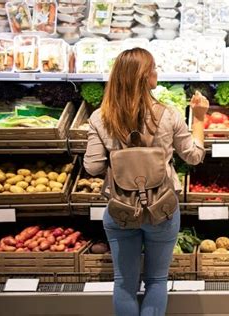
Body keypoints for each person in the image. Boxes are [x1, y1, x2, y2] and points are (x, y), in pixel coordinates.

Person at [84, 47, 208, 316]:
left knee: (125, 283)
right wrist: (199, 118)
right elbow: (194, 156)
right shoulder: (169, 115)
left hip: (120, 209)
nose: (156, 72)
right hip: (161, 208)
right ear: (144, 78)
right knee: (156, 280)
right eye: (153, 68)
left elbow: (92, 167)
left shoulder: (99, 118)